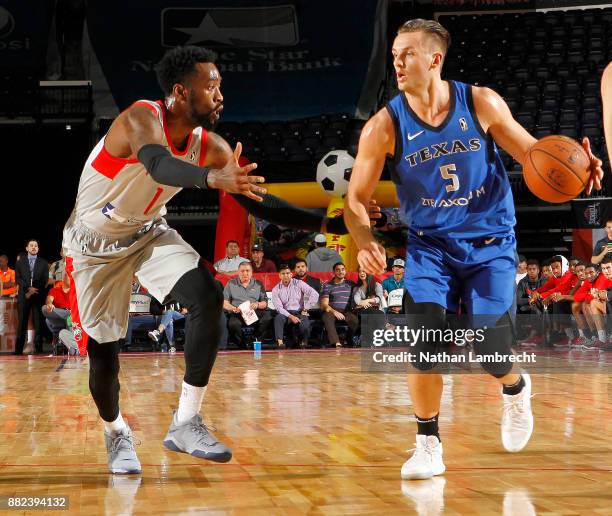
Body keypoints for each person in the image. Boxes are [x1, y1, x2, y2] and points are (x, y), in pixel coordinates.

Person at [344, 18, 603, 480]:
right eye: (395, 55)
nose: (398, 63)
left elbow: (532, 153)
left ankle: (516, 388)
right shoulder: (383, 126)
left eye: (407, 54)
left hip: (490, 244)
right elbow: (355, 201)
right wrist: (364, 240)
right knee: (424, 340)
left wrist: (578, 169)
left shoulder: (479, 101)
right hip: (430, 248)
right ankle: (427, 443)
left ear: (434, 59)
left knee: (490, 348)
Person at [222, 261, 272, 349]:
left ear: (252, 272)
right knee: (233, 323)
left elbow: (265, 303)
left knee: (267, 317)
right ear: (238, 272)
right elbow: (224, 302)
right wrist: (233, 308)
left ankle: (256, 339)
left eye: (247, 271)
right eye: (242, 271)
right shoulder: (231, 284)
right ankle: (242, 344)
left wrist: (257, 304)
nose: (245, 273)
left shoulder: (258, 284)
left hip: (254, 311)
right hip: (238, 312)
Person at [271, 264, 319, 348]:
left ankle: (304, 341)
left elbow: (314, 294)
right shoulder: (276, 289)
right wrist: (290, 316)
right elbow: (279, 308)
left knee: (304, 324)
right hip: (285, 313)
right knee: (278, 318)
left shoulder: (299, 283)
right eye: (283, 273)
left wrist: (306, 307)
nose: (285, 275)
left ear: (291, 274)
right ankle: (280, 343)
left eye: (287, 273)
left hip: (299, 311)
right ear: (279, 275)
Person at [15, 239, 49, 355]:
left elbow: (45, 279)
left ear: (38, 249)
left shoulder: (43, 263)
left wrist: (34, 289)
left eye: (36, 246)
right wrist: (28, 288)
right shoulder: (20, 262)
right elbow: (18, 279)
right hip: (24, 295)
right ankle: (18, 349)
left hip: (38, 294)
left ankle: (38, 349)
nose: (34, 247)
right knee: (22, 323)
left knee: (38, 322)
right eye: (31, 245)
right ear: (27, 248)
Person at [320, 262, 358, 348]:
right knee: (327, 318)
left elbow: (362, 292)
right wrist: (334, 312)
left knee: (354, 320)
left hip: (347, 311)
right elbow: (324, 304)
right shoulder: (328, 285)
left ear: (345, 271)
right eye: (337, 270)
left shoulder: (351, 284)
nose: (340, 272)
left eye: (342, 269)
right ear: (333, 272)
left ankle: (348, 339)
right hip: (332, 310)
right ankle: (336, 342)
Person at [42, 270, 71, 352]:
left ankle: (57, 335)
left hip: (73, 319)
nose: (72, 279)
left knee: (49, 320)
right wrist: (49, 304)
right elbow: (49, 300)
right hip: (60, 316)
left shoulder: (75, 291)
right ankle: (68, 315)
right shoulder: (54, 290)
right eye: (70, 277)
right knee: (45, 309)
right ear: (64, 278)